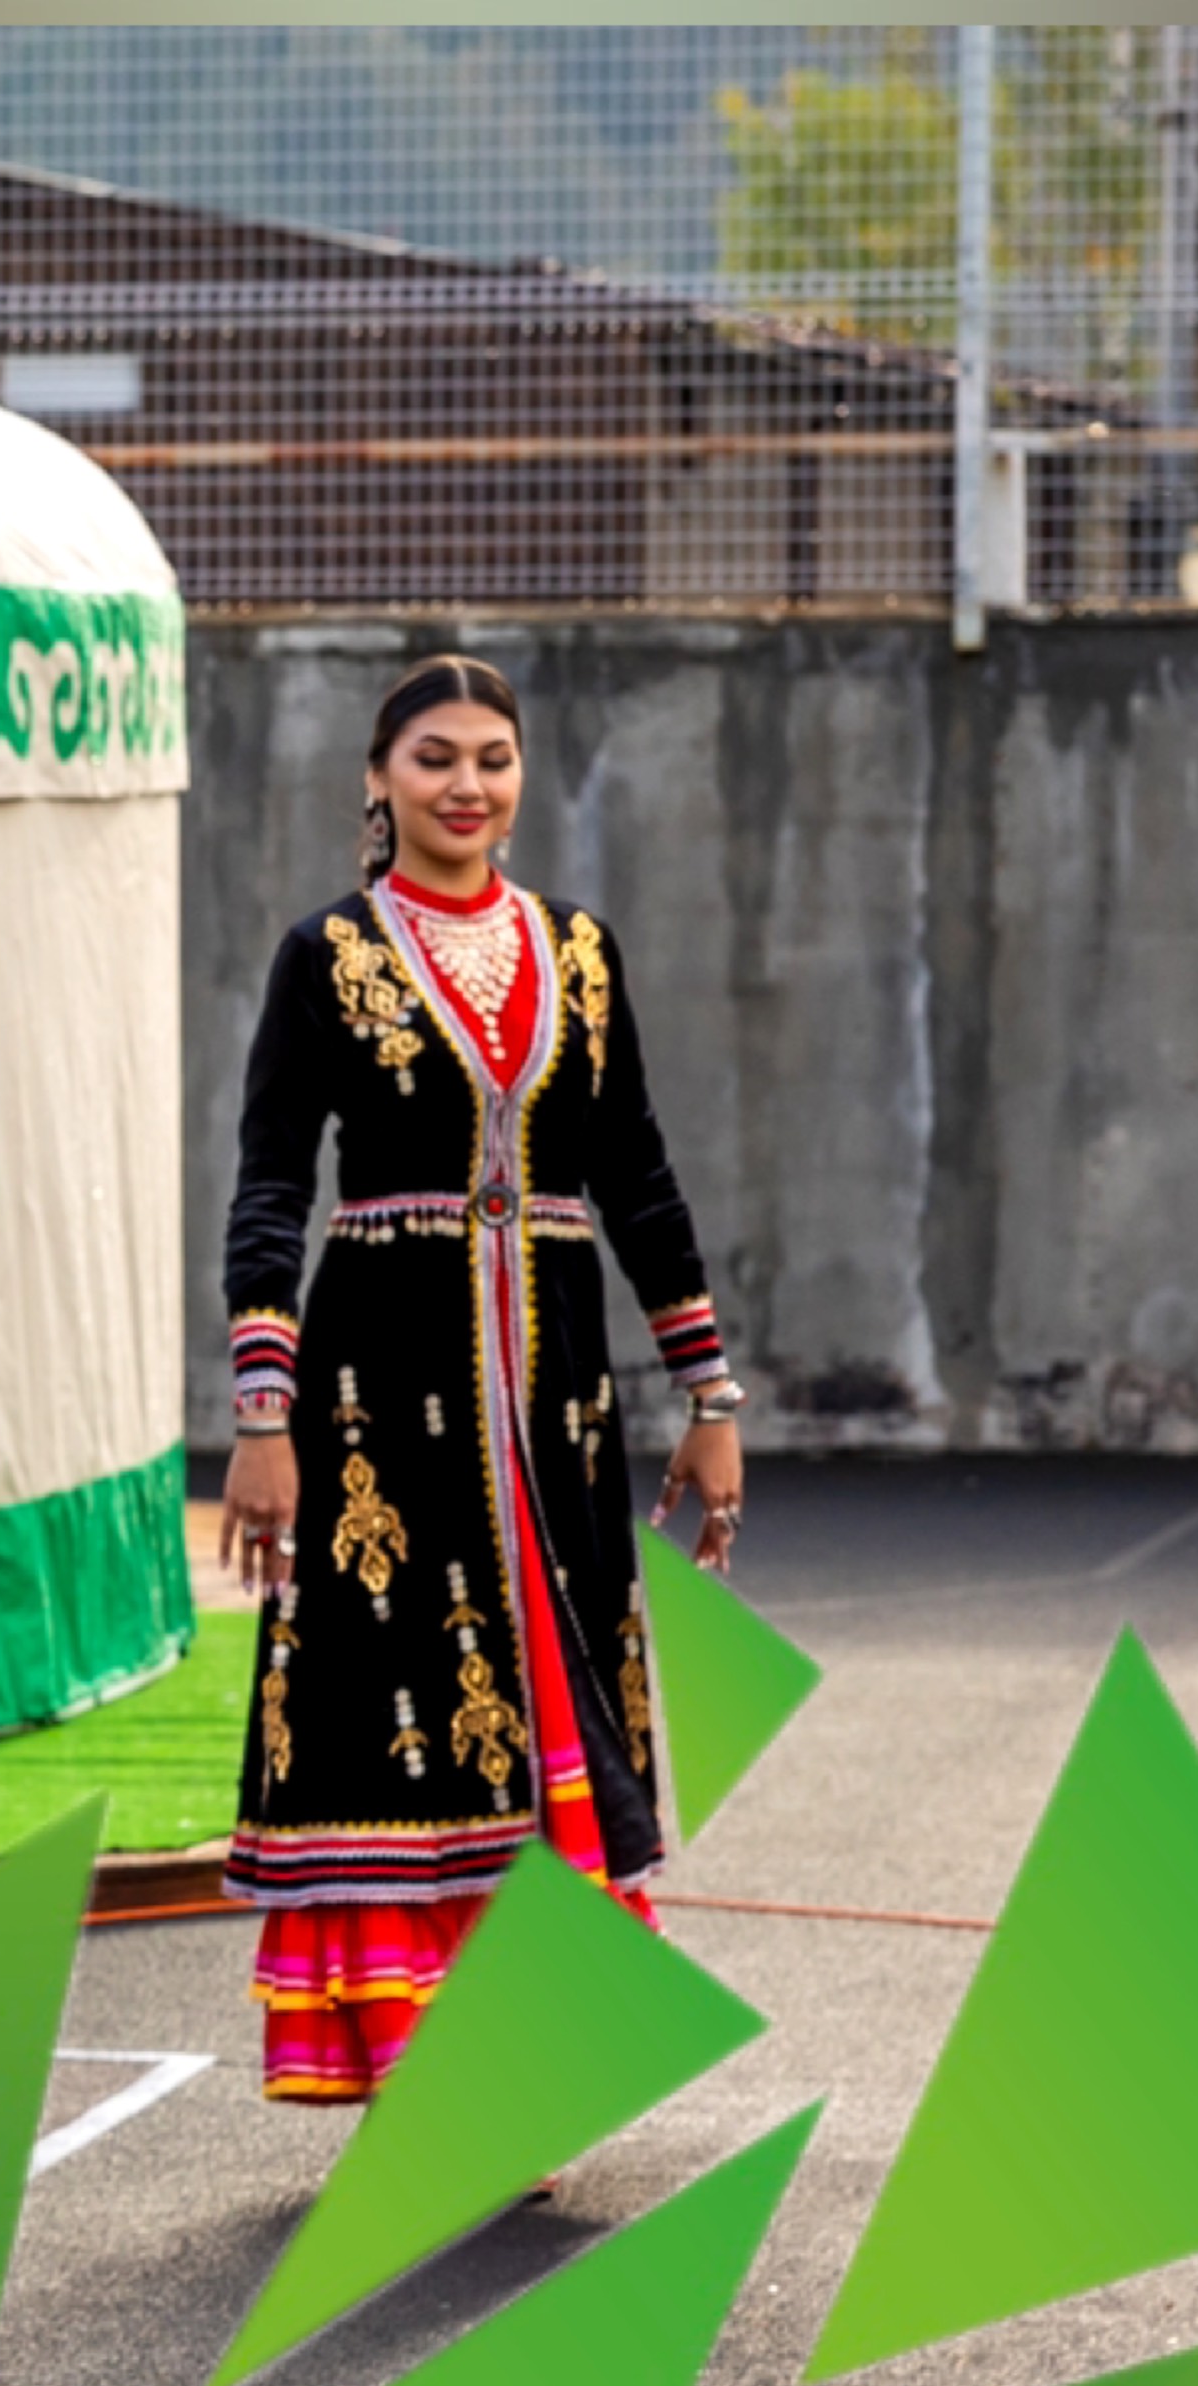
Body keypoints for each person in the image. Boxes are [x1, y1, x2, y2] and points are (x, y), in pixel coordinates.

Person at [213, 654, 741, 2103]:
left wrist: (710, 1398)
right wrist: (264, 1419)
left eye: (493, 758)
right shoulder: (327, 956)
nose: (467, 786)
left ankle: (539, 2049)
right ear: (378, 780)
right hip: (382, 1390)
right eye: (435, 757)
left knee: (558, 1688)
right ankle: (429, 2061)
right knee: (403, 1704)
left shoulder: (578, 947)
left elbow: (635, 1170)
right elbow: (269, 1187)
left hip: (558, 1395)